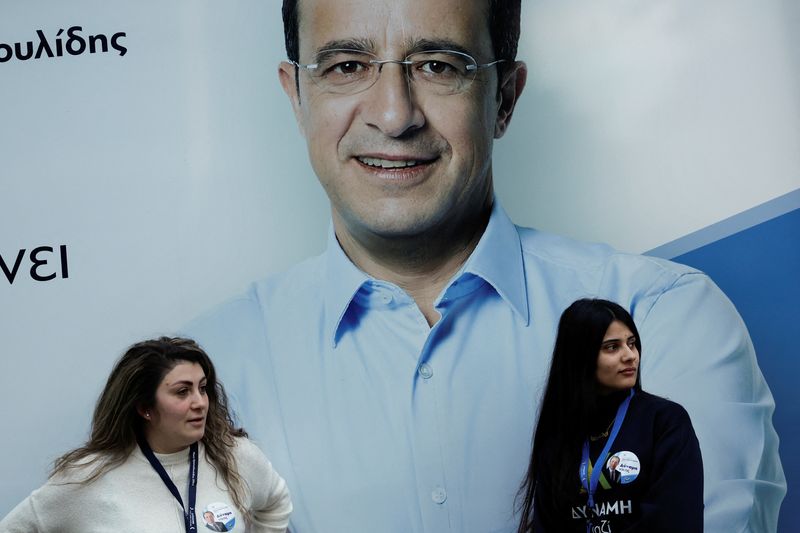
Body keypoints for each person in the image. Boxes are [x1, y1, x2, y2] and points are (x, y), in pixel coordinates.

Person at [184, 0, 785, 531]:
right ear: (298, 98)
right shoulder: (212, 367)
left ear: (505, 98)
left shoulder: (663, 317)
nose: (394, 115)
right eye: (347, 66)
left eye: (439, 65)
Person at [0, 337, 292, 533]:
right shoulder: (90, 475)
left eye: (202, 388)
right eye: (182, 392)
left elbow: (276, 502)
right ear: (144, 407)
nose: (200, 402)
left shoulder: (233, 454)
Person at [516, 299, 703, 532]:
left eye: (632, 343)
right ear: (580, 357)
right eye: (612, 347)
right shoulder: (558, 433)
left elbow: (675, 520)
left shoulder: (665, 421)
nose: (630, 356)